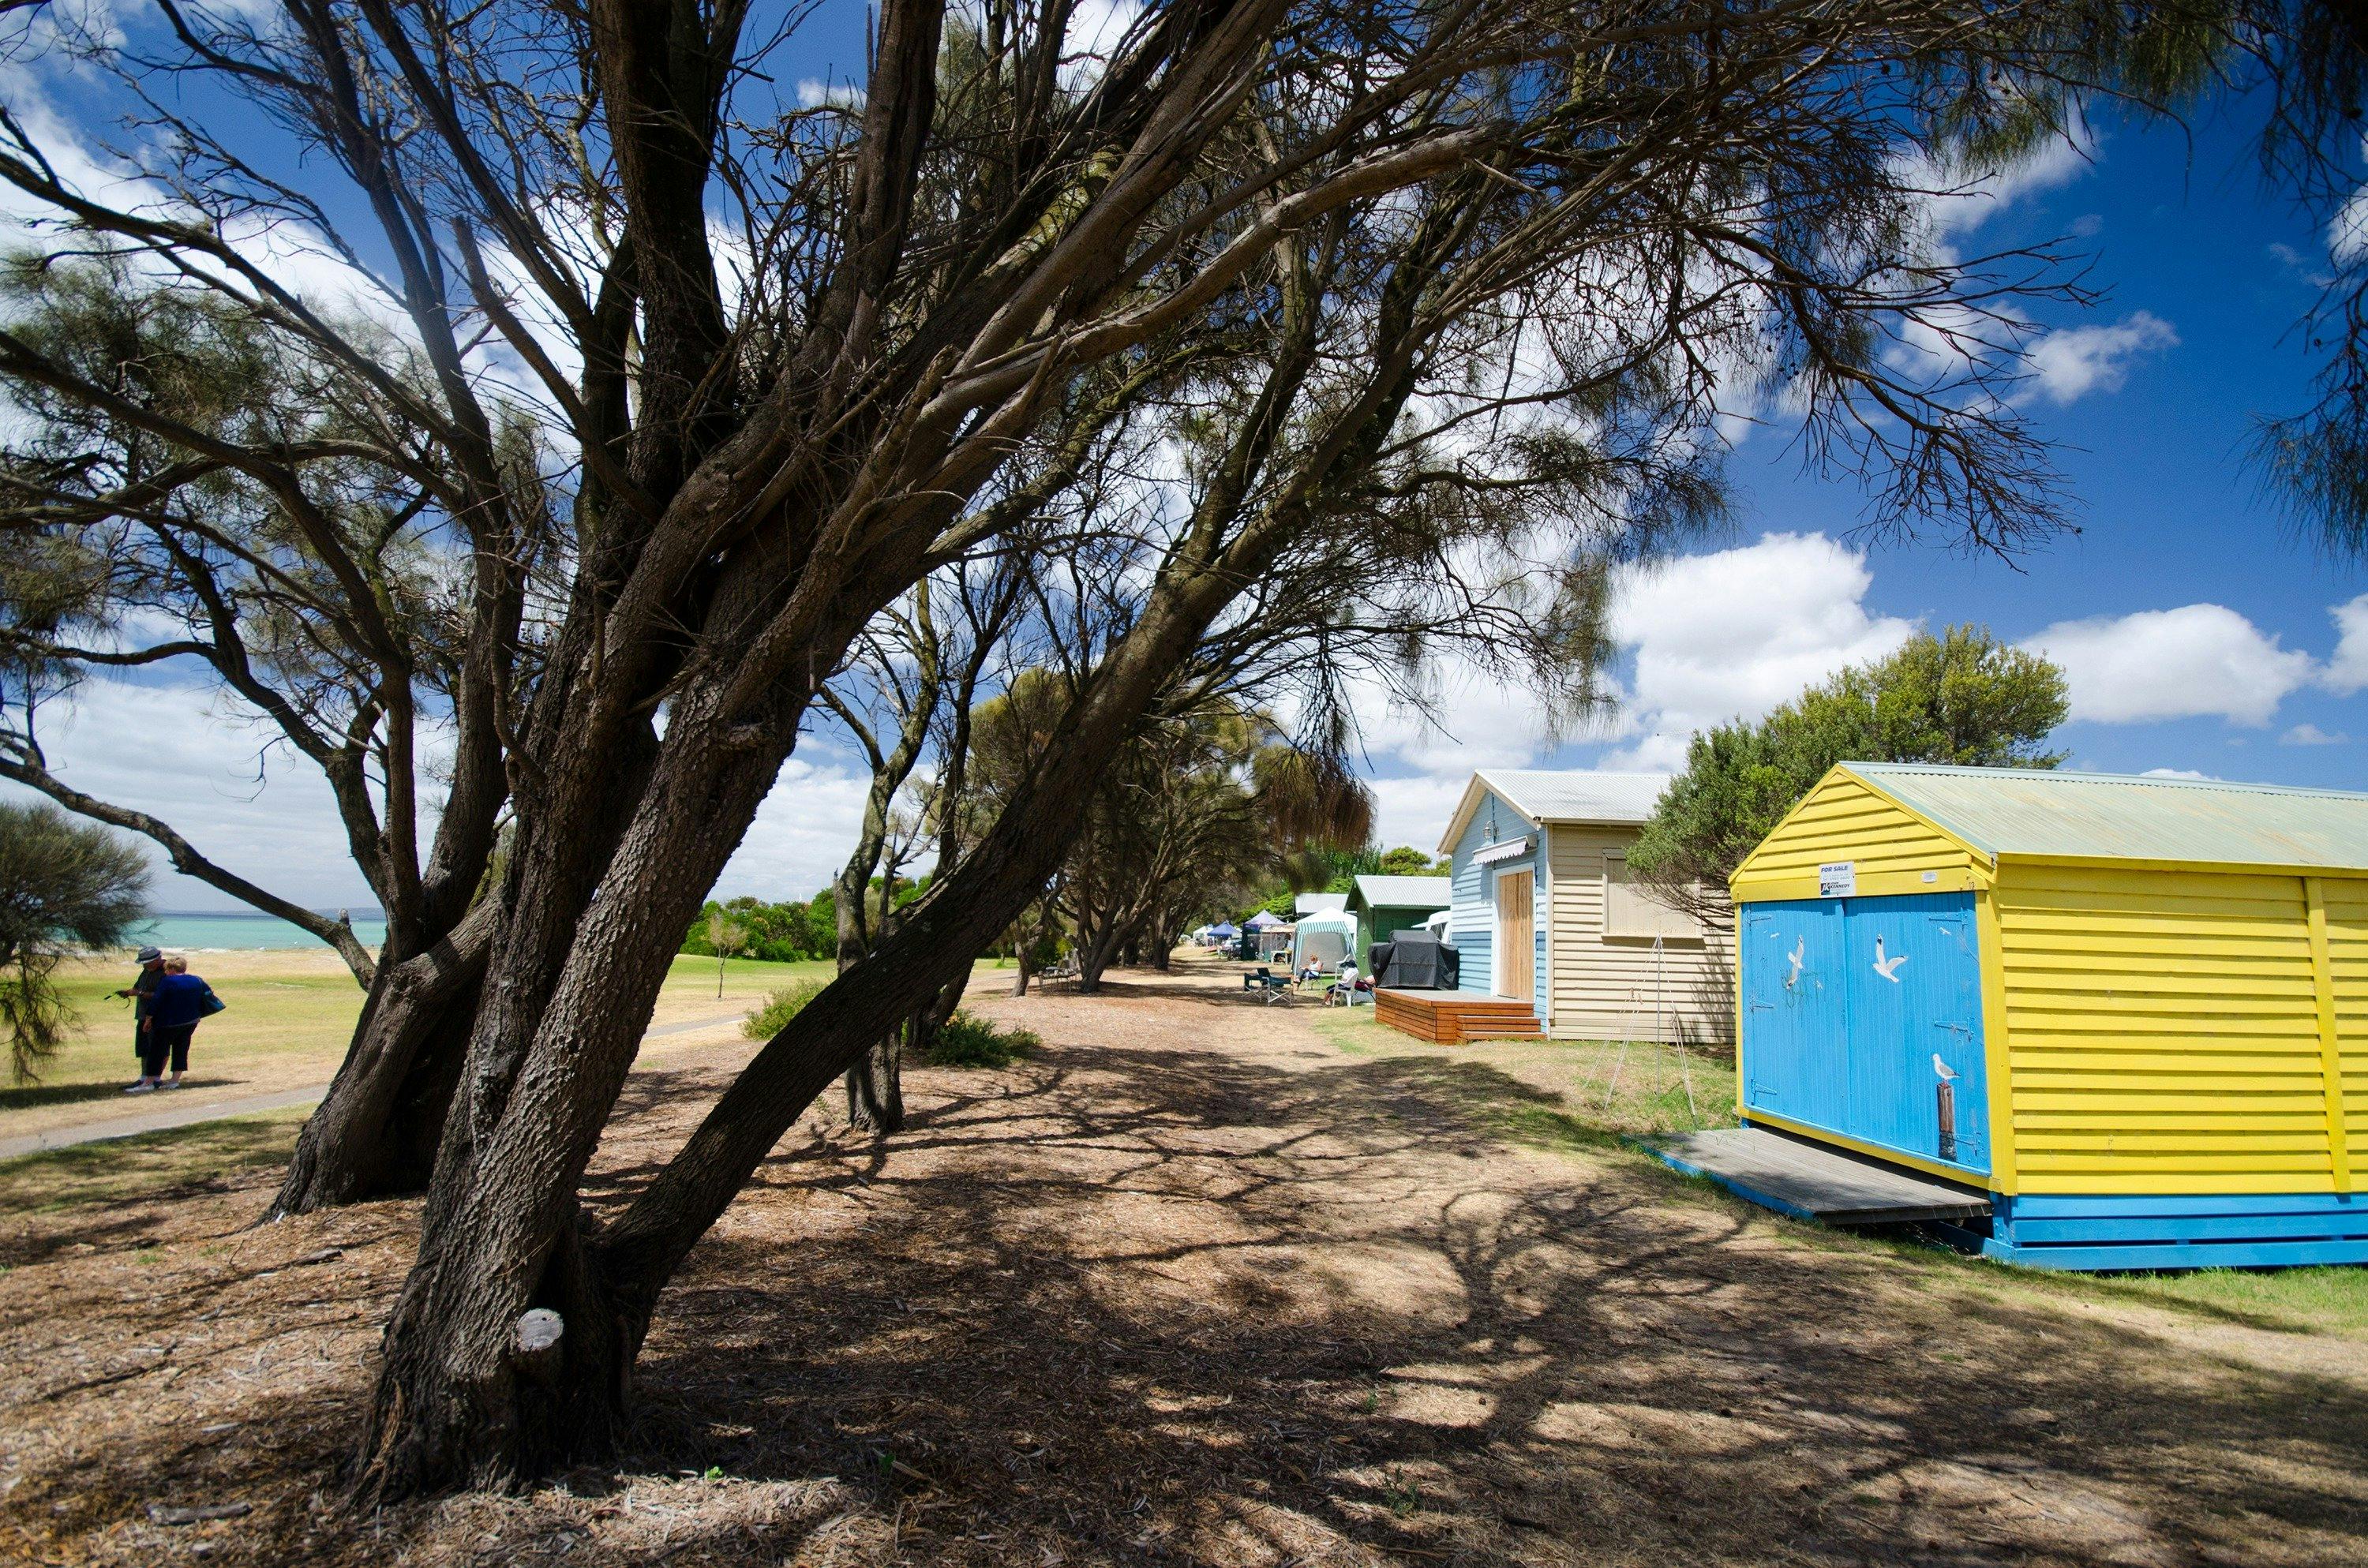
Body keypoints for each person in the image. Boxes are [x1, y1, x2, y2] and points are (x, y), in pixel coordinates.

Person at [129, 956, 220, 1093]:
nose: (165, 972)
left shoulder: (167, 981)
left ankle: (148, 1082)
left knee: (156, 1052)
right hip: (191, 1021)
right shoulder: (196, 979)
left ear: (172, 968)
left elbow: (156, 1001)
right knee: (181, 1050)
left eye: (166, 969)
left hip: (168, 1022)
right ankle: (174, 1081)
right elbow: (208, 993)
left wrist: (148, 1019)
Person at [117, 945, 166, 1092]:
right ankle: (144, 1077)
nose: (145, 965)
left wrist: (140, 993)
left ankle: (155, 1078)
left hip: (157, 1016)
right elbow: (139, 988)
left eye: (148, 962)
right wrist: (129, 992)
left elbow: (161, 995)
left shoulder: (166, 972)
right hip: (143, 1014)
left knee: (157, 1048)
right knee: (144, 1048)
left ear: (157, 960)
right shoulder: (146, 970)